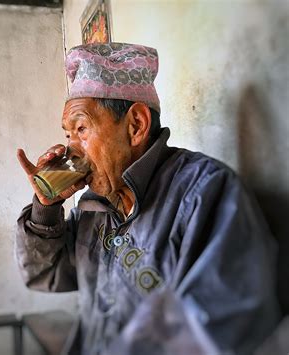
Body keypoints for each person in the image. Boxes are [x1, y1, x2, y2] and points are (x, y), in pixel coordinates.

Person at [15, 43, 281, 354]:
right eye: (68, 135)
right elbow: (44, 275)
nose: (71, 149)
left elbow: (213, 336)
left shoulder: (204, 193)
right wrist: (46, 207)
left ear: (136, 125)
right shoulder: (96, 205)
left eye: (82, 128)